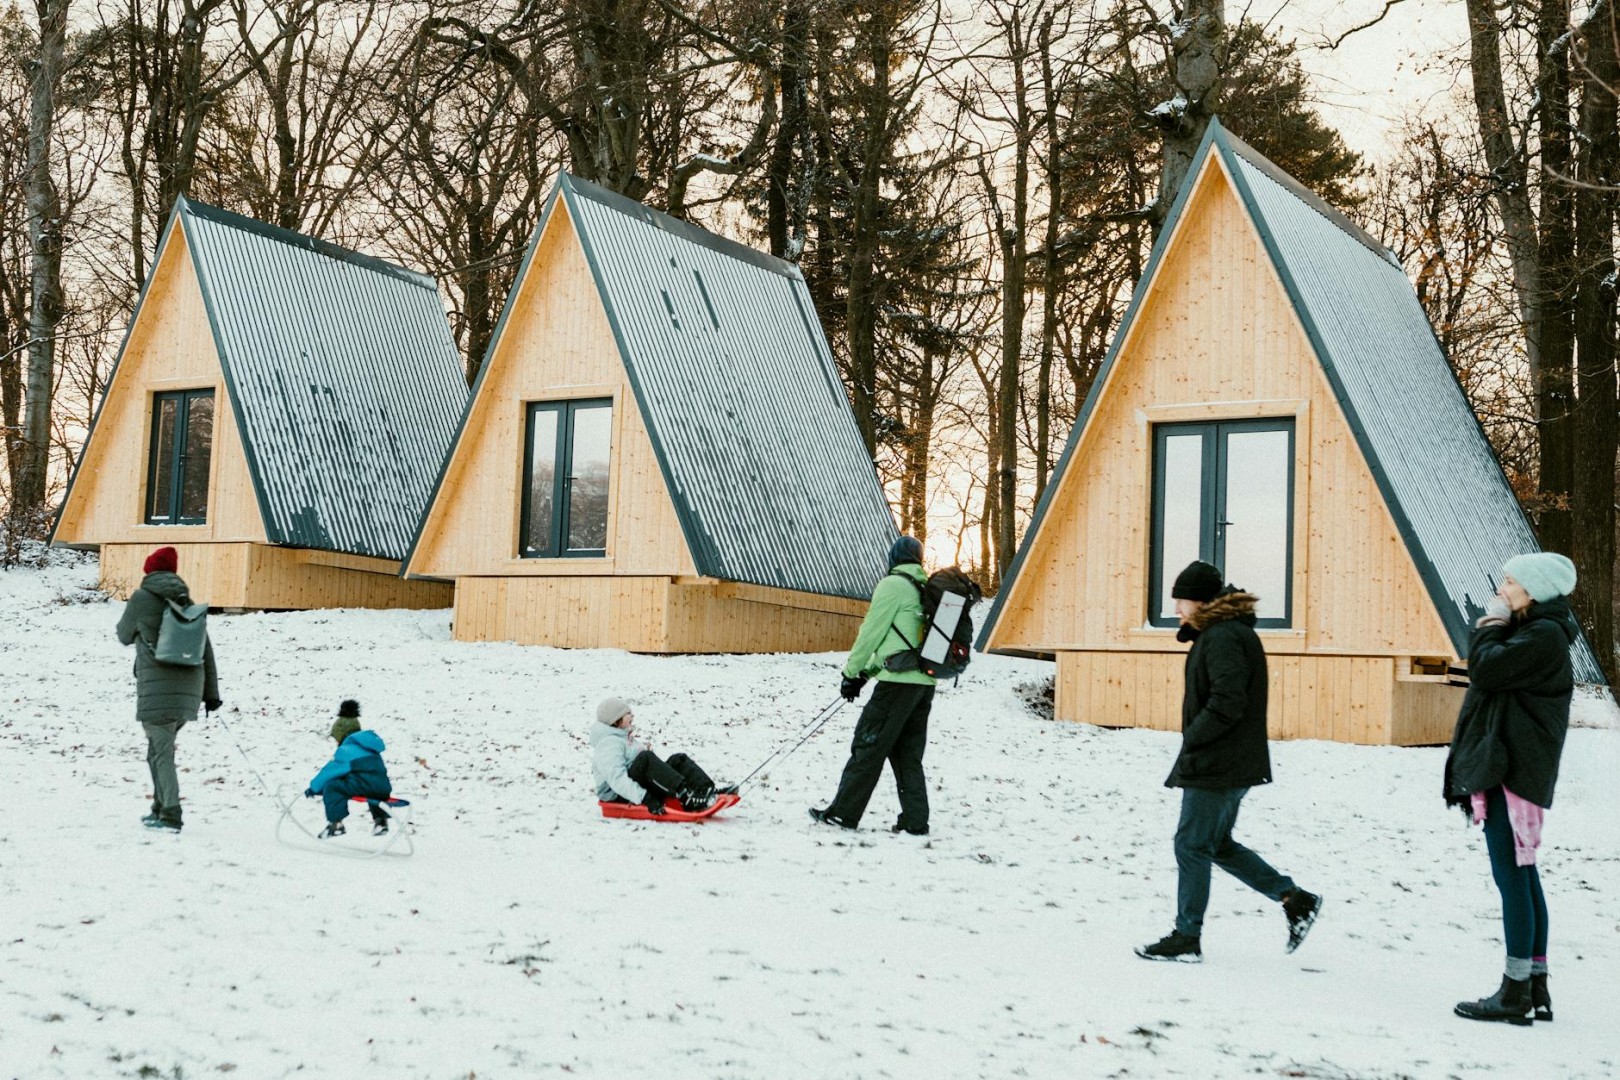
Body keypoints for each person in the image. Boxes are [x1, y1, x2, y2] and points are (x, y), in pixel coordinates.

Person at [1136, 560, 1322, 963]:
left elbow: (1228, 700)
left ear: (1200, 601)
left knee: (1191, 845)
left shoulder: (1222, 637)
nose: (1176, 610)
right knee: (1216, 844)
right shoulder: (1223, 633)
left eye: (1181, 601)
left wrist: (1194, 736)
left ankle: (1187, 937)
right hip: (1230, 760)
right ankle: (1294, 898)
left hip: (1218, 762)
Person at [1445, 553, 1577, 1026]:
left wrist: (1491, 623)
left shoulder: (1541, 636)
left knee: (1512, 877)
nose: (1500, 589)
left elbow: (1484, 669)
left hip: (1513, 769)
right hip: (1517, 766)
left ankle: (1515, 991)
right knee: (1523, 874)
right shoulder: (1540, 632)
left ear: (1534, 590)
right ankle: (1534, 984)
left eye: (1509, 581)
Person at [809, 535, 935, 835]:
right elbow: (901, 644)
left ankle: (843, 814)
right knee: (907, 754)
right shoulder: (925, 590)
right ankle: (915, 821)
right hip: (923, 685)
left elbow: (871, 633)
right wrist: (866, 674)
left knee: (867, 745)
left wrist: (851, 673)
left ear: (894, 558)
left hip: (896, 686)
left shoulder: (892, 585)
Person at [115, 546, 221, 832]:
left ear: (149, 571)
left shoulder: (141, 598)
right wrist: (212, 696)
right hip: (189, 693)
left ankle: (171, 815)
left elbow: (123, 635)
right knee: (157, 752)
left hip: (157, 692)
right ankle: (159, 808)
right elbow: (206, 650)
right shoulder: (186, 602)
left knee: (162, 754)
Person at [591, 698, 729, 814]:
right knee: (646, 758)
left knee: (678, 760)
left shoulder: (621, 737)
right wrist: (645, 798)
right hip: (620, 795)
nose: (632, 716)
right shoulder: (607, 744)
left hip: (633, 787)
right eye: (628, 713)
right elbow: (617, 780)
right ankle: (686, 797)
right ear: (616, 720)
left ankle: (705, 790)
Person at [304, 700, 393, 838]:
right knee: (373, 791)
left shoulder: (346, 750)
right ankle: (381, 822)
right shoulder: (370, 748)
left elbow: (330, 772)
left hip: (364, 786)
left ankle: (336, 824)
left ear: (342, 735)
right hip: (383, 788)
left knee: (333, 787)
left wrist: (314, 787)